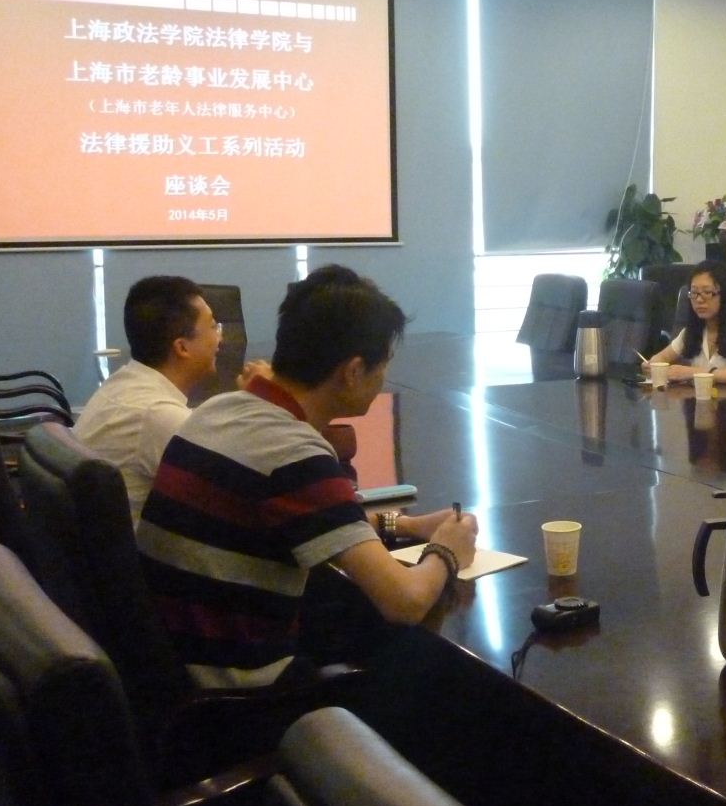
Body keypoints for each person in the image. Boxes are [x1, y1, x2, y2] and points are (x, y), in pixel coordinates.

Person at [136, 264, 477, 689]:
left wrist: (404, 525)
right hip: (243, 696)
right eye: (384, 364)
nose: (384, 377)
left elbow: (318, 521)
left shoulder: (220, 410)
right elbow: (404, 602)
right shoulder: (294, 452)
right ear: (353, 371)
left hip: (177, 665)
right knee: (434, 659)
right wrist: (446, 550)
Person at [74, 276, 223, 526]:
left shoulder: (124, 383)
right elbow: (233, 495)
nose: (220, 338)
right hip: (138, 550)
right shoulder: (157, 416)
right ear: (182, 347)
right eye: (212, 326)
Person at [643, 260, 726, 385]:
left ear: (725, 296)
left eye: (707, 293)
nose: (699, 300)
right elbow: (662, 357)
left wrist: (694, 373)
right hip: (696, 397)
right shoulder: (694, 329)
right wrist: (653, 364)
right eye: (694, 293)